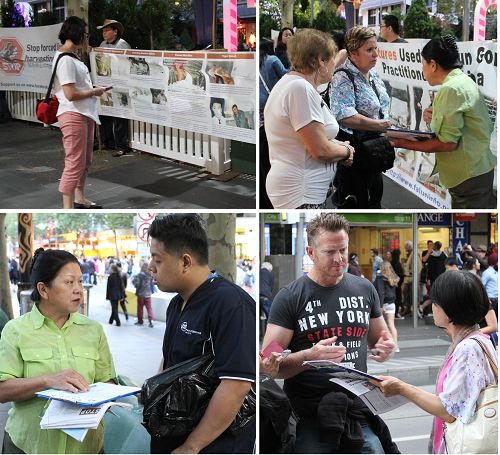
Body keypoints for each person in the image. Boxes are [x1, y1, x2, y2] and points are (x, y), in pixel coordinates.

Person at [263, 213, 398, 454]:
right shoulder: (290, 297)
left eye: (343, 250)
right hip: (309, 415)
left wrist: (385, 347)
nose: (339, 259)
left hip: (356, 409)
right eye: (329, 252)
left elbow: (380, 340)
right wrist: (309, 356)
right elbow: (268, 360)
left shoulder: (364, 289)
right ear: (310, 251)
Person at [147, 214, 255, 453]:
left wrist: (191, 446)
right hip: (172, 433)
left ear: (185, 262)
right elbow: (170, 361)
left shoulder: (230, 304)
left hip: (212, 444)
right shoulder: (177, 303)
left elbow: (236, 385)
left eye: (157, 259)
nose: (150, 267)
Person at [0, 248, 116, 453]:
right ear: (43, 290)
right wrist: (47, 381)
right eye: (69, 282)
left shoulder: (93, 330)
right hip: (29, 445)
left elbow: (108, 381)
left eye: (80, 281)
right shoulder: (16, 330)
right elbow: (3, 390)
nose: (79, 289)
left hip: (86, 446)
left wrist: (98, 398)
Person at [371, 271, 497, 454]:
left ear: (449, 311)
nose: (433, 307)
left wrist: (401, 388)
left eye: (435, 302)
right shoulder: (478, 339)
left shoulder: (467, 348)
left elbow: (449, 411)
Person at [388, 35, 495, 209]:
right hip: (476, 171)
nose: (423, 71)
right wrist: (434, 114)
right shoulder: (462, 81)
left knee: (465, 222)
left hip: (469, 177)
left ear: (433, 64)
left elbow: (447, 144)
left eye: (423, 64)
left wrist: (403, 143)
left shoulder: (451, 88)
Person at [264, 29, 354, 209]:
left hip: (302, 190)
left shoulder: (295, 84)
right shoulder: (300, 89)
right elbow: (320, 150)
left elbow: (311, 137)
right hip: (301, 192)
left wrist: (338, 146)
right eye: (332, 58)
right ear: (321, 60)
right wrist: (346, 151)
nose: (334, 65)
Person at [330, 26, 392, 209]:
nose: (375, 54)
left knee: (375, 200)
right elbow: (342, 114)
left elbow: (382, 104)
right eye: (369, 50)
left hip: (375, 151)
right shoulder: (343, 77)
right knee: (356, 203)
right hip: (355, 153)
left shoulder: (373, 74)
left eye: (375, 48)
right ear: (353, 53)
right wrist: (376, 125)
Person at [53, 16, 107, 209]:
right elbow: (70, 94)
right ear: (76, 33)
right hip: (73, 114)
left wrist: (92, 89)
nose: (86, 38)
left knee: (84, 161)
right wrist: (94, 91)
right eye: (85, 34)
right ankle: (68, 208)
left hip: (84, 114)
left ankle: (79, 198)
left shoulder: (71, 56)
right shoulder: (65, 59)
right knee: (75, 162)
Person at [259, 37, 289, 208]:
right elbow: (287, 75)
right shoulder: (273, 60)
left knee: (264, 159)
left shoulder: (257, 61)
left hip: (260, 109)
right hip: (272, 105)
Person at [96, 19, 131, 157]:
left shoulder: (122, 44)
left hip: (119, 84)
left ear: (115, 31)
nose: (104, 33)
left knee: (119, 115)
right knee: (105, 113)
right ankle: (108, 142)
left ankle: (121, 145)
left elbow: (126, 63)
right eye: (103, 31)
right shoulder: (102, 44)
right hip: (105, 84)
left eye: (107, 30)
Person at [375, 261, 400, 352]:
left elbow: (381, 293)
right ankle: (396, 346)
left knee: (380, 325)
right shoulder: (393, 278)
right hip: (392, 304)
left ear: (382, 268)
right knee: (391, 325)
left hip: (384, 304)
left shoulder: (380, 279)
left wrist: (380, 306)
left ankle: (381, 346)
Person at [402, 240, 421, 317]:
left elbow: (419, 267)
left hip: (411, 278)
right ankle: (408, 310)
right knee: (407, 295)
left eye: (406, 246)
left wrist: (411, 273)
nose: (405, 248)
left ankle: (413, 311)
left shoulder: (414, 254)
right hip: (408, 279)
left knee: (413, 295)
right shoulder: (410, 254)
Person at [132, 263, 155, 327]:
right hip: (148, 294)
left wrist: (134, 281)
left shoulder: (139, 275)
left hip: (141, 294)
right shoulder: (150, 275)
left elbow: (137, 285)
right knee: (149, 308)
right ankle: (151, 320)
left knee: (140, 308)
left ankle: (140, 321)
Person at [389, 249, 405, 318]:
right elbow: (400, 275)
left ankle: (393, 312)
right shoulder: (398, 264)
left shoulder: (391, 263)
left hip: (391, 285)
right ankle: (396, 312)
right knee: (398, 298)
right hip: (397, 285)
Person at [482, 253, 498, 318]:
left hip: (497, 299)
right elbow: (482, 286)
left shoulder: (496, 272)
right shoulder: (487, 273)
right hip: (491, 300)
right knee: (493, 319)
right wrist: (487, 299)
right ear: (495, 262)